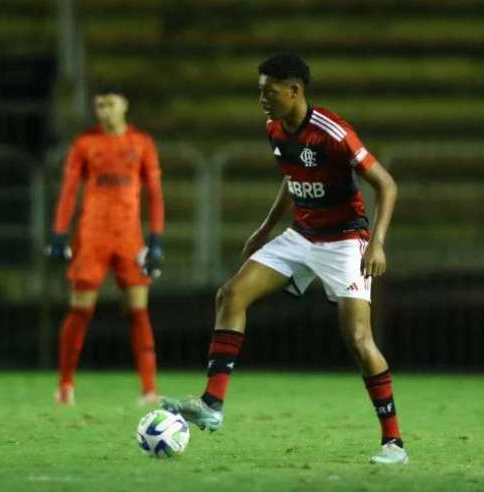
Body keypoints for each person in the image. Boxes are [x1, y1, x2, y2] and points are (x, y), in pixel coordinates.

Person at [162, 53, 407, 465]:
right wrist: (265, 229)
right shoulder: (274, 128)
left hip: (345, 240)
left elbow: (387, 183)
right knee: (231, 295)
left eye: (269, 91)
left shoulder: (334, 132)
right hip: (301, 235)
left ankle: (394, 443)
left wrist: (377, 243)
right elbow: (291, 178)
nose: (262, 99)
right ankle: (212, 404)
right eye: (260, 91)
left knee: (359, 340)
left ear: (294, 91)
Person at [47, 85, 165, 406]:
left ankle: (149, 389)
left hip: (129, 238)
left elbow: (154, 193)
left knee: (138, 312)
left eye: (110, 104)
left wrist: (156, 237)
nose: (104, 111)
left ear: (124, 105)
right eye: (99, 106)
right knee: (80, 309)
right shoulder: (86, 144)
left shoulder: (141, 144)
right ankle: (65, 385)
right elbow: (69, 190)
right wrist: (59, 234)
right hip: (92, 237)